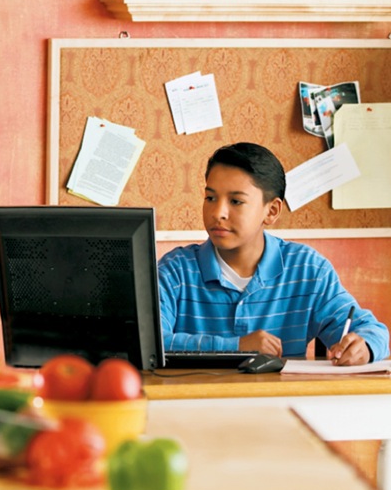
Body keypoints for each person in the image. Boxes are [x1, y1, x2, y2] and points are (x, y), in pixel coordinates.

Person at [158, 142, 389, 365]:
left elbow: (372, 331)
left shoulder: (308, 269)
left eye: (236, 201)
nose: (217, 212)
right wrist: (237, 347)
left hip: (281, 401)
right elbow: (151, 343)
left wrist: (365, 347)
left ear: (272, 211)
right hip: (194, 402)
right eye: (210, 198)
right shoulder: (175, 271)